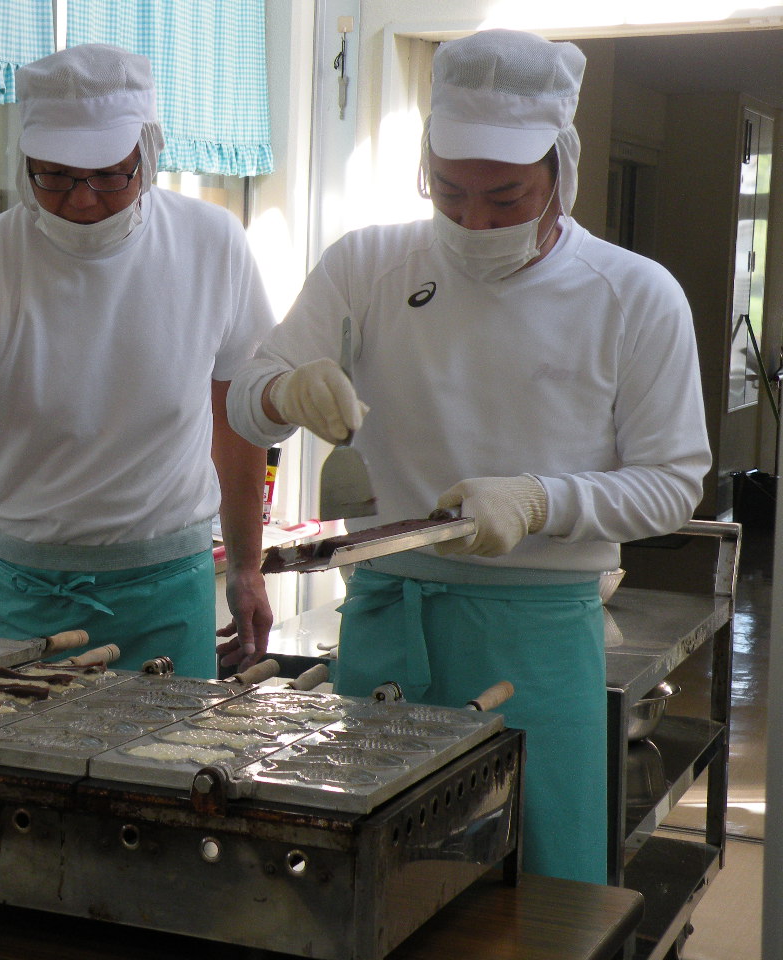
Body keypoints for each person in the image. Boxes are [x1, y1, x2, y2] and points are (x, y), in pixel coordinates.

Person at [228, 29, 711, 884]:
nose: (474, 220)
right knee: (385, 882)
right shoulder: (369, 264)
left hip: (540, 636)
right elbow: (245, 399)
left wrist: (540, 501)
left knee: (548, 887)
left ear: (560, 168)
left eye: (505, 196)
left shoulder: (633, 294)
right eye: (449, 192)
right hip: (392, 619)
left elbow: (672, 484)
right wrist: (284, 392)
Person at [0, 44, 275, 678]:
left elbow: (237, 423)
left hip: (167, 591)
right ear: (24, 161)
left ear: (148, 153)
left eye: (109, 175)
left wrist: (246, 566)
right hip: (24, 596)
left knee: (169, 745)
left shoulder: (210, 246)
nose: (82, 200)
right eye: (53, 175)